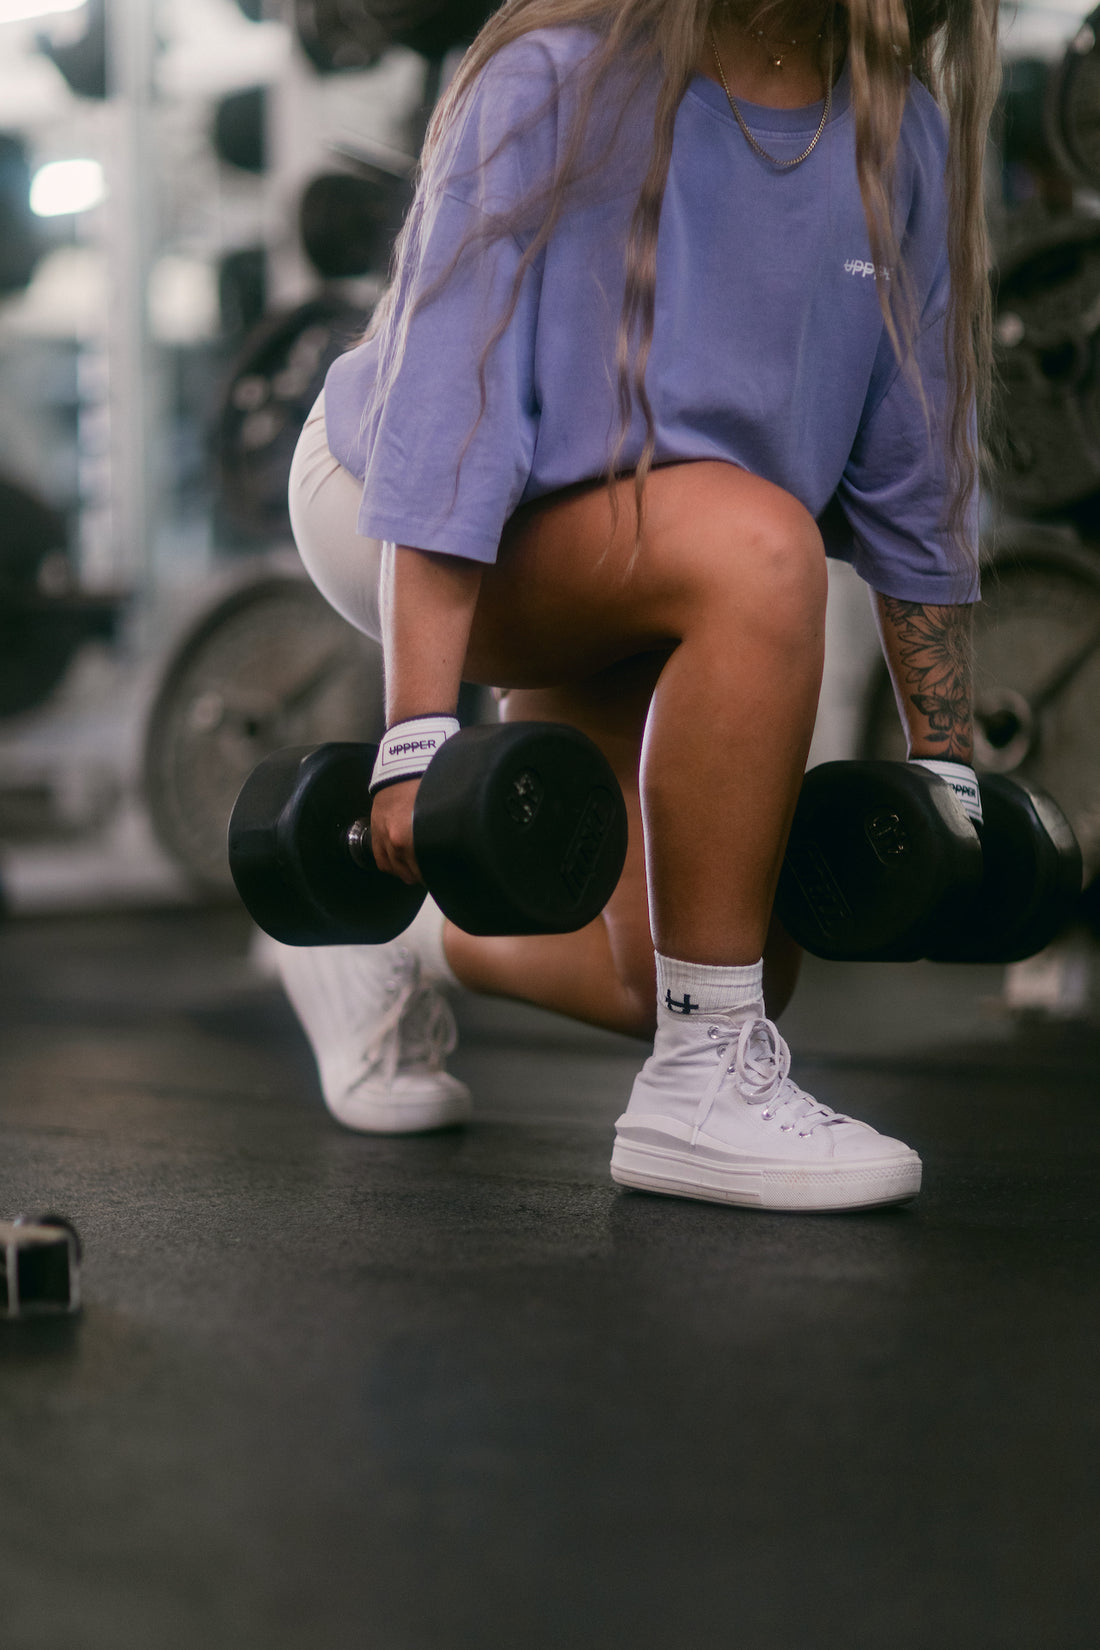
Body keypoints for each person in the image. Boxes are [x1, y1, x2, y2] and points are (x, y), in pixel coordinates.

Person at [271, 0, 999, 1211]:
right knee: (761, 545)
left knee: (662, 964)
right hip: (387, 496)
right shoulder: (552, 77)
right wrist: (415, 738)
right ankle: (701, 1087)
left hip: (649, 522)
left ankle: (393, 943)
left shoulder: (898, 130)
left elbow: (913, 468)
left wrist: (948, 771)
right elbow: (448, 409)